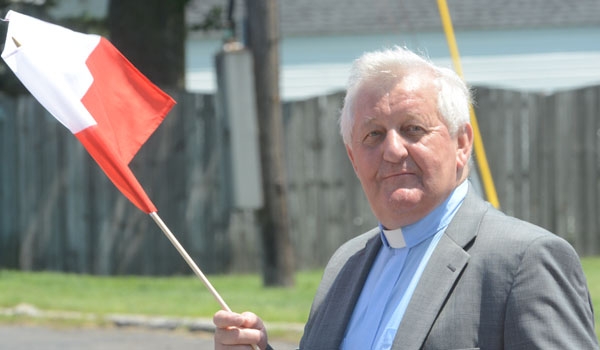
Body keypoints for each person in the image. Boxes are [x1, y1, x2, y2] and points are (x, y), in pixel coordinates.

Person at [213, 46, 598, 349]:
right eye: (373, 135)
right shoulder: (344, 266)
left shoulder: (523, 262)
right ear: (352, 156)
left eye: (413, 129)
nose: (393, 150)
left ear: (461, 143)